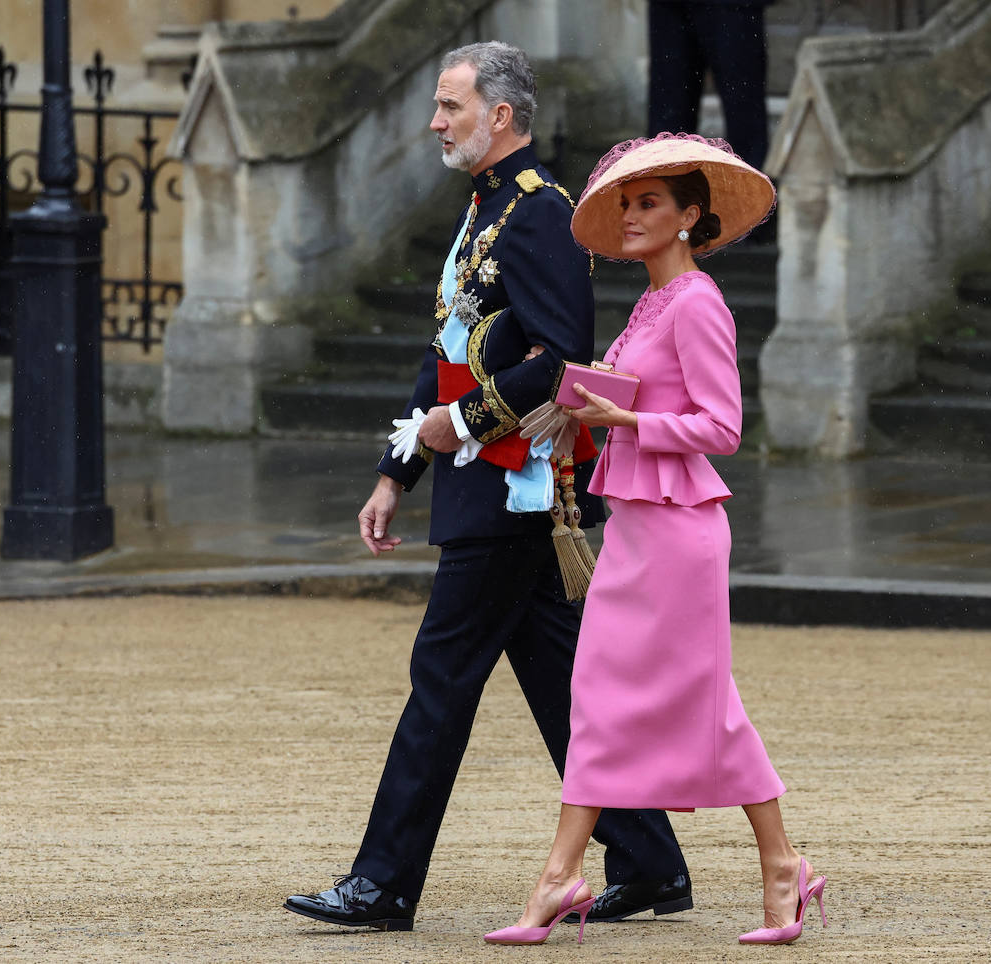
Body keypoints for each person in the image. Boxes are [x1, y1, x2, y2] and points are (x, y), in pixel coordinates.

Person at [282, 42, 691, 934]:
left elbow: (558, 361)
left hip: (513, 488)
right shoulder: (484, 211)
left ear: (500, 116)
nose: (436, 122)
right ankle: (652, 863)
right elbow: (450, 355)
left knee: (440, 681)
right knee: (561, 686)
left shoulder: (541, 215)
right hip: (484, 488)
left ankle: (383, 883)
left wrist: (460, 428)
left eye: (450, 107)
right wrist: (399, 469)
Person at [482, 132, 826, 947]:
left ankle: (770, 867)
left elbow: (723, 427)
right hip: (641, 527)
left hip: (679, 534)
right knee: (606, 697)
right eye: (626, 204)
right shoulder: (652, 301)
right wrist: (587, 410)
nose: (631, 217)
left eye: (649, 204)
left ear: (690, 217)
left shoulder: (699, 301)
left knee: (679, 704)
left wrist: (624, 415)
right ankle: (763, 866)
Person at [647, 0, 775, 169]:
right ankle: (661, 186)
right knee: (668, 120)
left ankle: (751, 189)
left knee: (743, 110)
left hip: (733, 5)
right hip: (669, 7)